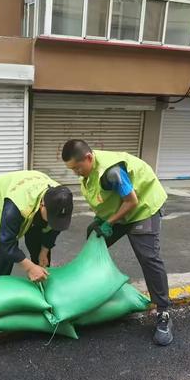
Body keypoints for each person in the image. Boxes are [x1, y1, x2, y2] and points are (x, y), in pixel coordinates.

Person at [61, 139, 173, 346]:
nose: (75, 173)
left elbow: (132, 201)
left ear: (88, 157)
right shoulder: (89, 170)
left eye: (77, 168)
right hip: (122, 211)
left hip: (143, 210)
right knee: (94, 238)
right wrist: (102, 221)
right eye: (72, 169)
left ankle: (163, 313)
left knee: (148, 258)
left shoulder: (112, 172)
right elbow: (106, 198)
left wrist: (109, 222)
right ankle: (91, 293)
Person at [0, 170, 73, 282]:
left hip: (31, 189)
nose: (55, 222)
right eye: (52, 218)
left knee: (37, 237)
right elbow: (6, 244)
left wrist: (44, 251)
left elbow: (54, 228)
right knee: (5, 249)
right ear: (42, 205)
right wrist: (29, 267)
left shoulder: (62, 198)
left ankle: (40, 277)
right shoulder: (15, 207)